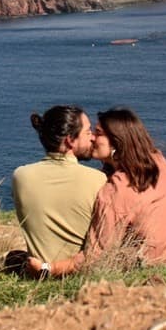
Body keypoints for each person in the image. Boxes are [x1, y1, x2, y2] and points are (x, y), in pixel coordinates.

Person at [27, 108, 166, 277]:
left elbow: (95, 257)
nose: (92, 137)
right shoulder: (155, 159)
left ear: (116, 143)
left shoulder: (114, 193)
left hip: (164, 265)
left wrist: (49, 267)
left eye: (98, 133)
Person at [11, 105, 106, 269]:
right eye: (88, 132)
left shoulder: (21, 176)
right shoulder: (97, 180)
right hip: (80, 270)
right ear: (70, 140)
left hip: (36, 270)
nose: (93, 138)